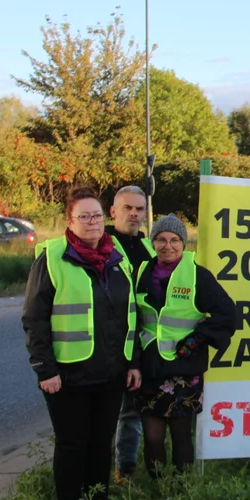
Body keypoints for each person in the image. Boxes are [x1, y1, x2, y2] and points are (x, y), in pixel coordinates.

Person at [22, 187, 140, 500]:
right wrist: (45, 369)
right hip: (67, 375)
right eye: (84, 216)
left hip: (111, 372)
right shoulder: (52, 258)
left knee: (102, 443)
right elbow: (34, 319)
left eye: (97, 215)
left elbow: (128, 315)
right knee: (73, 444)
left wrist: (131, 363)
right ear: (70, 221)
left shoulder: (117, 256)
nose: (92, 222)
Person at [134, 215, 236, 477]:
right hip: (149, 370)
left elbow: (228, 314)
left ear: (184, 243)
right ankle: (159, 490)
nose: (167, 246)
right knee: (153, 438)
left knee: (181, 437)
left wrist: (197, 340)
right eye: (160, 239)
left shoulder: (197, 276)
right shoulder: (140, 273)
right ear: (152, 242)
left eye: (174, 240)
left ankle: (183, 492)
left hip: (183, 371)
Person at [104, 186, 153, 484]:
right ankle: (97, 473)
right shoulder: (103, 246)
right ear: (113, 212)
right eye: (127, 208)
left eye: (139, 209)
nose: (133, 214)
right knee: (106, 415)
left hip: (140, 343)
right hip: (110, 344)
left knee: (132, 411)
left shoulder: (147, 247)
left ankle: (125, 469)